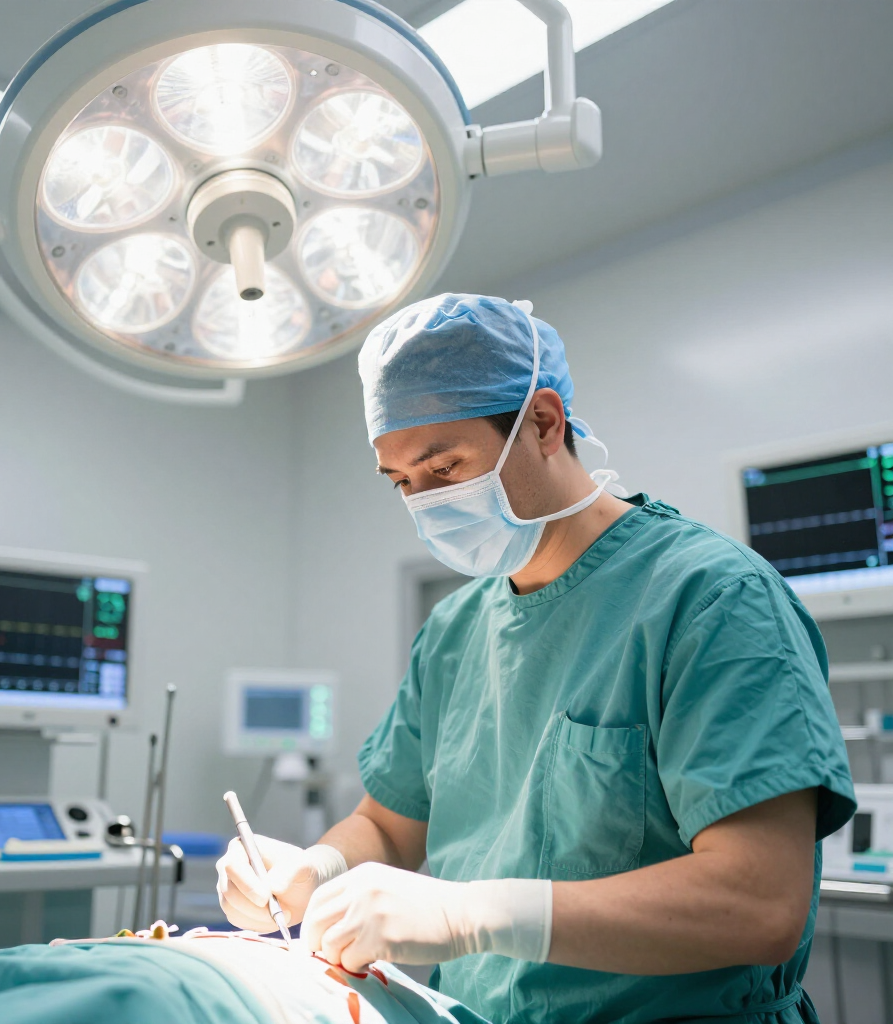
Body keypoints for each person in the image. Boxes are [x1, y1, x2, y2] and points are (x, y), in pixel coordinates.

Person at [217, 294, 855, 1024]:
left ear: (545, 424)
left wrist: (471, 916)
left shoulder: (711, 599)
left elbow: (758, 902)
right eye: (402, 483)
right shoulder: (455, 630)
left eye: (445, 467)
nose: (424, 503)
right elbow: (391, 826)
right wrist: (316, 868)